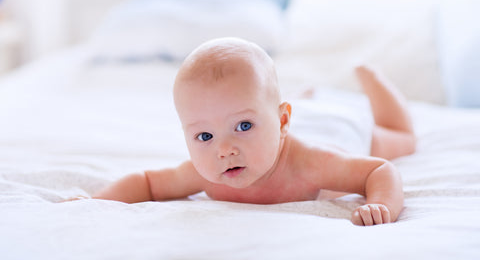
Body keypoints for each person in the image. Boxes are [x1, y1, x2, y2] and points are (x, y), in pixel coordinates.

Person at [77, 37, 416, 226]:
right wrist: (96, 203)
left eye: (243, 126)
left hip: (337, 128)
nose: (224, 150)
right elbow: (148, 182)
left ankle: (373, 79)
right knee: (260, 105)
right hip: (286, 117)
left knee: (402, 140)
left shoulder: (313, 163)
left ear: (283, 123)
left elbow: (379, 169)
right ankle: (296, 99)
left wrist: (382, 205)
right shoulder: (207, 172)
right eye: (204, 137)